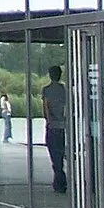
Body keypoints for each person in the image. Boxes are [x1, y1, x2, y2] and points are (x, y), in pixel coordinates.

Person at [41, 64, 70, 193]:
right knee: (59, 151)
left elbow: (46, 107)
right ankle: (60, 179)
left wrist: (48, 120)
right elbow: (67, 107)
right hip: (62, 126)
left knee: (53, 152)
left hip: (52, 126)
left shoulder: (46, 90)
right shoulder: (64, 90)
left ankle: (59, 178)